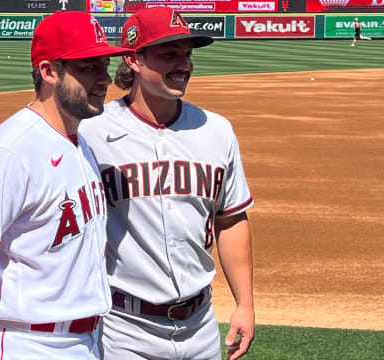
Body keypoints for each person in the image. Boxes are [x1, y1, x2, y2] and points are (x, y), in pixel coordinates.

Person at [0, 11, 132, 360]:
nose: (104, 79)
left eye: (104, 65)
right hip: (27, 343)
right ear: (48, 71)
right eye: (88, 67)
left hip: (86, 340)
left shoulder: (79, 141)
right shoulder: (10, 150)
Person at [79, 7, 255, 360]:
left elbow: (230, 219)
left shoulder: (215, 130)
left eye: (187, 54)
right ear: (133, 59)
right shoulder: (91, 132)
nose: (183, 64)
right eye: (169, 53)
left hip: (202, 324)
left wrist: (245, 304)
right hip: (123, 327)